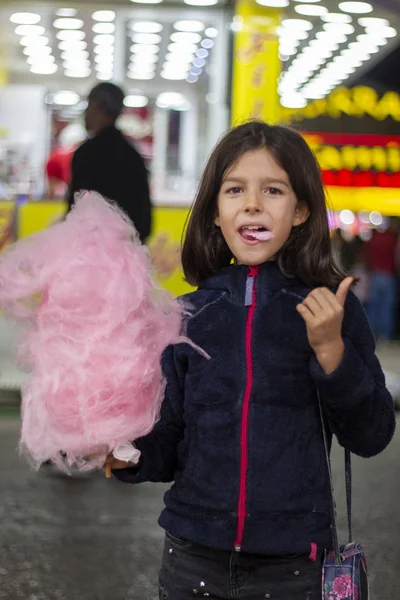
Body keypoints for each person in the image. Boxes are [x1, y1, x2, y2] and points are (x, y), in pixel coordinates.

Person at [106, 122, 395, 599]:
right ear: (216, 213)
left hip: (293, 568)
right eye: (235, 189)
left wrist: (331, 353)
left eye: (273, 190)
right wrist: (127, 453)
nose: (253, 204)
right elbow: (169, 440)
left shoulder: (331, 310)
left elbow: (372, 434)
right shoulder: (188, 316)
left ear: (301, 211)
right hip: (192, 558)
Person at [67, 83, 152, 243]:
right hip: (126, 252)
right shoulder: (133, 156)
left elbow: (76, 209)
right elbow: (144, 219)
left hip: (89, 250)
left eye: (88, 106)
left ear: (99, 107)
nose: (85, 114)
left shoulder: (86, 153)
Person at [364, 219, 399, 340]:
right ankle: (385, 335)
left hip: (375, 274)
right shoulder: (393, 239)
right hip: (389, 275)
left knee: (373, 306)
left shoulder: (374, 239)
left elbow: (366, 256)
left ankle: (371, 333)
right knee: (387, 307)